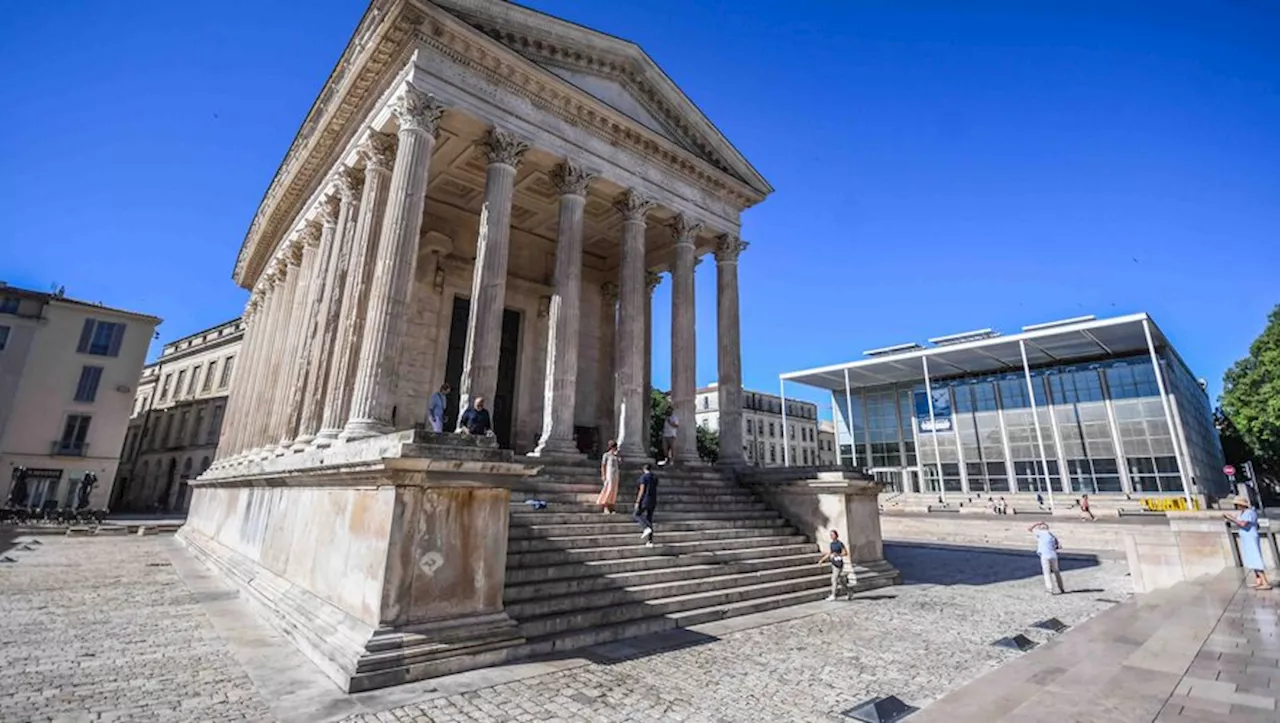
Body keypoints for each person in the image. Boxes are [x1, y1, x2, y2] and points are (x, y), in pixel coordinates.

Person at [1225, 495, 1271, 590]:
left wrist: (1231, 518)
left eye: (1237, 505)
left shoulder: (1249, 512)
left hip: (1250, 537)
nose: (1236, 507)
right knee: (1251, 558)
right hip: (1246, 537)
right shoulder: (1243, 513)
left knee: (1255, 558)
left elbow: (1243, 523)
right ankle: (1259, 580)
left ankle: (1265, 582)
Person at [1029, 521, 1065, 594]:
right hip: (1053, 555)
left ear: (1040, 528)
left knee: (1047, 573)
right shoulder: (1052, 535)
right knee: (1056, 572)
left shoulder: (1040, 533)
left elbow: (1029, 528)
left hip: (1045, 555)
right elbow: (1058, 546)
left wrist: (1037, 523)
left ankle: (1050, 589)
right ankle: (1061, 587)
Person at [817, 530, 850, 601]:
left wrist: (838, 554)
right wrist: (822, 560)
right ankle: (849, 591)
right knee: (840, 580)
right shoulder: (831, 544)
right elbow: (830, 553)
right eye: (830, 535)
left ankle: (833, 595)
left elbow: (845, 553)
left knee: (834, 579)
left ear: (836, 535)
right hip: (833, 563)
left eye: (832, 535)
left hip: (839, 564)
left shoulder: (840, 544)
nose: (831, 536)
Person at [633, 464, 659, 546]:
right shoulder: (655, 478)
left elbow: (642, 490)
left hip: (645, 500)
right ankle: (650, 541)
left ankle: (645, 527)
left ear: (644, 469)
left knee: (636, 514)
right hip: (653, 500)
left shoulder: (643, 477)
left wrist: (637, 501)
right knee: (649, 519)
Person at [597, 439, 620, 514]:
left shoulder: (616, 456)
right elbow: (603, 465)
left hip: (615, 473)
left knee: (614, 489)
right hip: (609, 473)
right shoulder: (606, 455)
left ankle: (612, 505)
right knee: (609, 488)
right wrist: (603, 475)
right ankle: (606, 505)